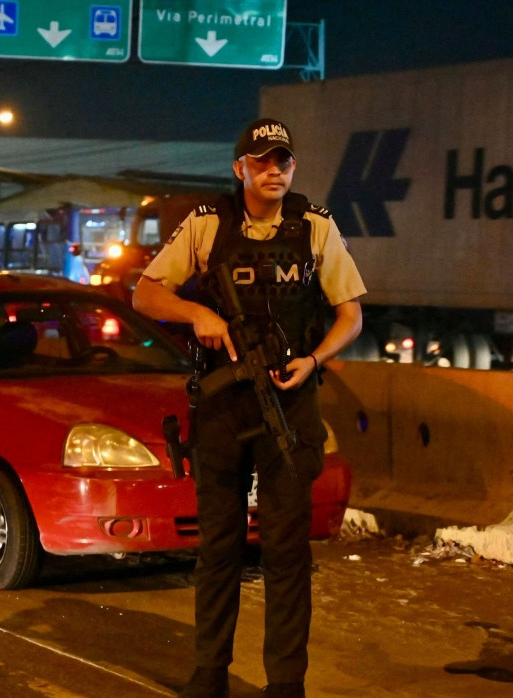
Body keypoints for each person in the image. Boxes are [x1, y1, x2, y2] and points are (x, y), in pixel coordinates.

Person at [132, 118, 365, 698]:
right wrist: (199, 316)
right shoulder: (208, 226)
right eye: (261, 161)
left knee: (287, 554)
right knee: (219, 548)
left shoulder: (315, 226)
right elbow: (145, 292)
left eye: (282, 161)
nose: (273, 171)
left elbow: (351, 314)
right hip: (223, 405)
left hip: (290, 408)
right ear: (239, 168)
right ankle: (209, 674)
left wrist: (312, 361)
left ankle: (286, 684)